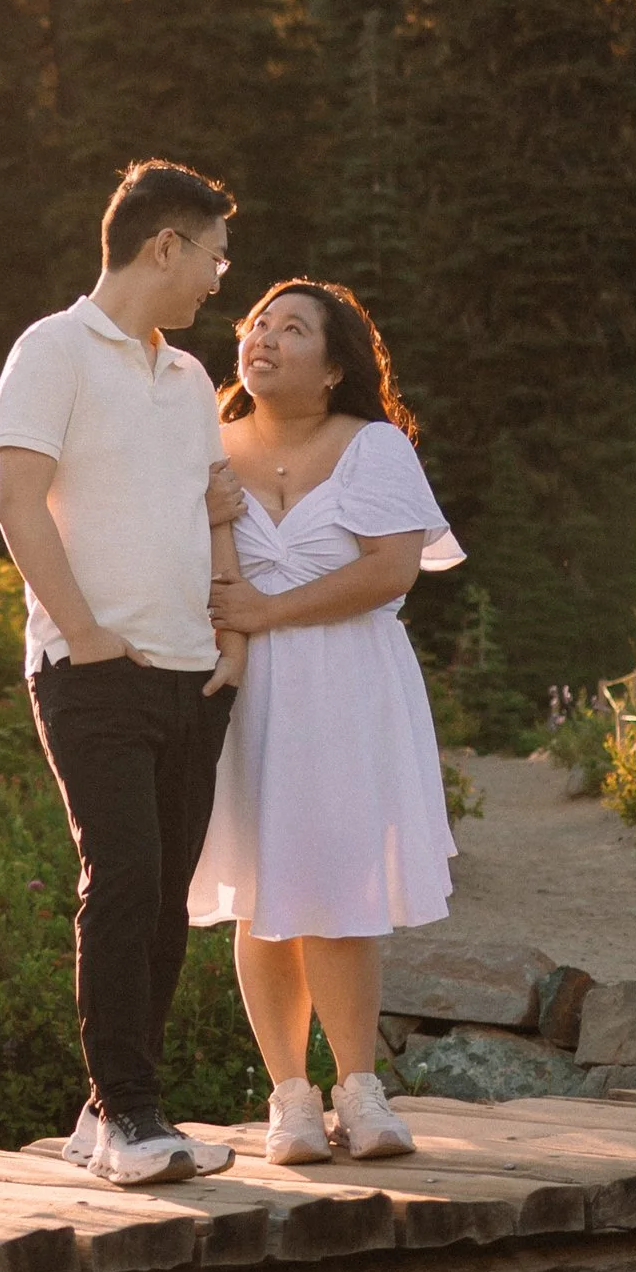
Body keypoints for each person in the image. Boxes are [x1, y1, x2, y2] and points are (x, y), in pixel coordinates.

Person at [0, 160, 243, 1189]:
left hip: (194, 674)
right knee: (124, 878)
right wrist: (85, 634)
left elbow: (213, 506)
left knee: (165, 898)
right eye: (216, 255)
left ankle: (109, 1114)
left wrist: (230, 639)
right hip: (92, 670)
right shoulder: (50, 351)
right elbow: (15, 502)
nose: (221, 278)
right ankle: (135, 1122)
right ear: (163, 246)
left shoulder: (185, 379)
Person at [189, 278, 463, 1166]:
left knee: (342, 892)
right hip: (241, 695)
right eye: (258, 323)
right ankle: (290, 1100)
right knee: (260, 896)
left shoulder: (372, 446)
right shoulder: (206, 449)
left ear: (334, 363)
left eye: (292, 329)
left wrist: (266, 612)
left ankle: (361, 1089)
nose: (264, 338)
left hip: (346, 688)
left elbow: (390, 572)